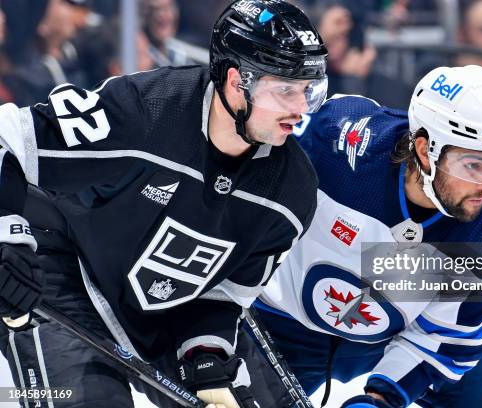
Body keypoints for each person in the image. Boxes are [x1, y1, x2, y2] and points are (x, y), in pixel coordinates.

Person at [0, 1, 326, 407]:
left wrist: (206, 357)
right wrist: (5, 237)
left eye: (308, 90)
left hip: (164, 316)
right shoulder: (147, 109)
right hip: (61, 280)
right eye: (285, 90)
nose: (299, 110)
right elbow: (7, 138)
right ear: (234, 80)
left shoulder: (290, 193)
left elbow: (225, 292)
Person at [253, 65, 482, 407]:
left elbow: (447, 340)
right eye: (473, 164)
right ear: (424, 150)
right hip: (283, 327)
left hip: (402, 331)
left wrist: (383, 399)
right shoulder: (336, 138)